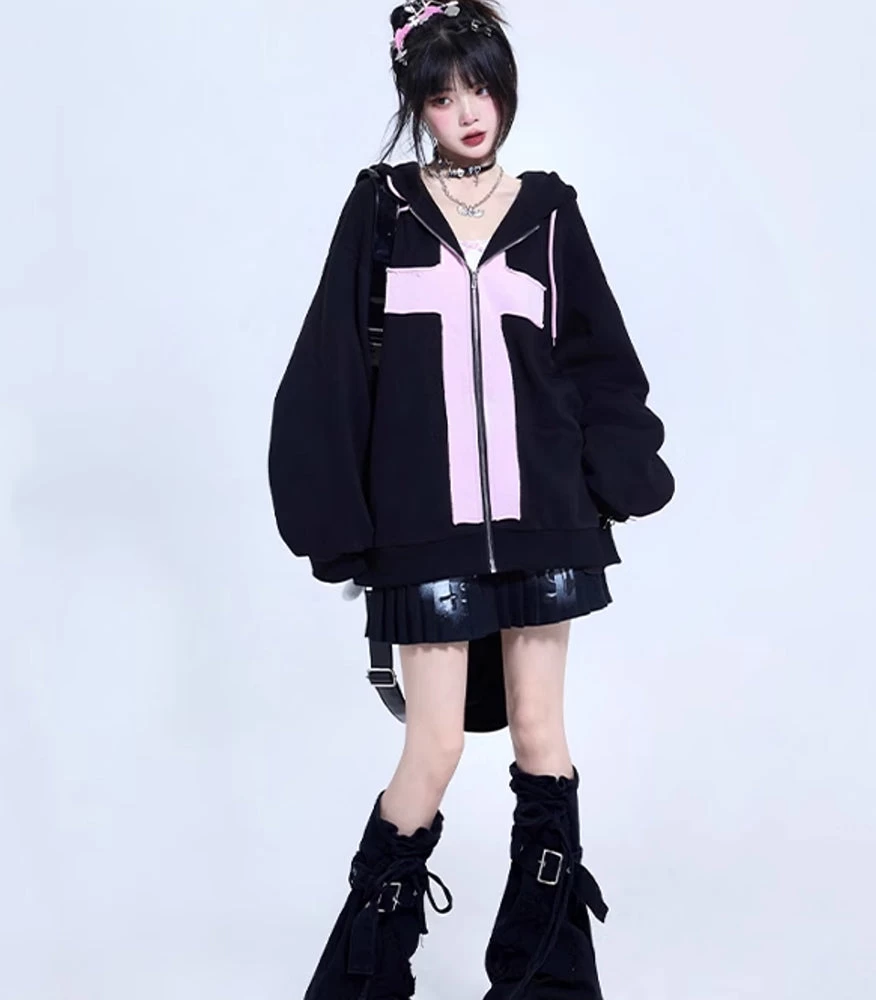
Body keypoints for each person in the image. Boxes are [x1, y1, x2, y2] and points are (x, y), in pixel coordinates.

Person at [267, 2, 675, 997]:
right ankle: (361, 981)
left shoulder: (548, 212)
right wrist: (336, 517)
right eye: (444, 96)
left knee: (543, 737)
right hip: (423, 525)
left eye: (482, 88)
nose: (468, 112)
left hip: (546, 520)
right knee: (435, 744)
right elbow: (330, 366)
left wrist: (617, 470)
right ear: (417, 105)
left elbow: (596, 356)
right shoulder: (382, 211)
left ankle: (548, 980)